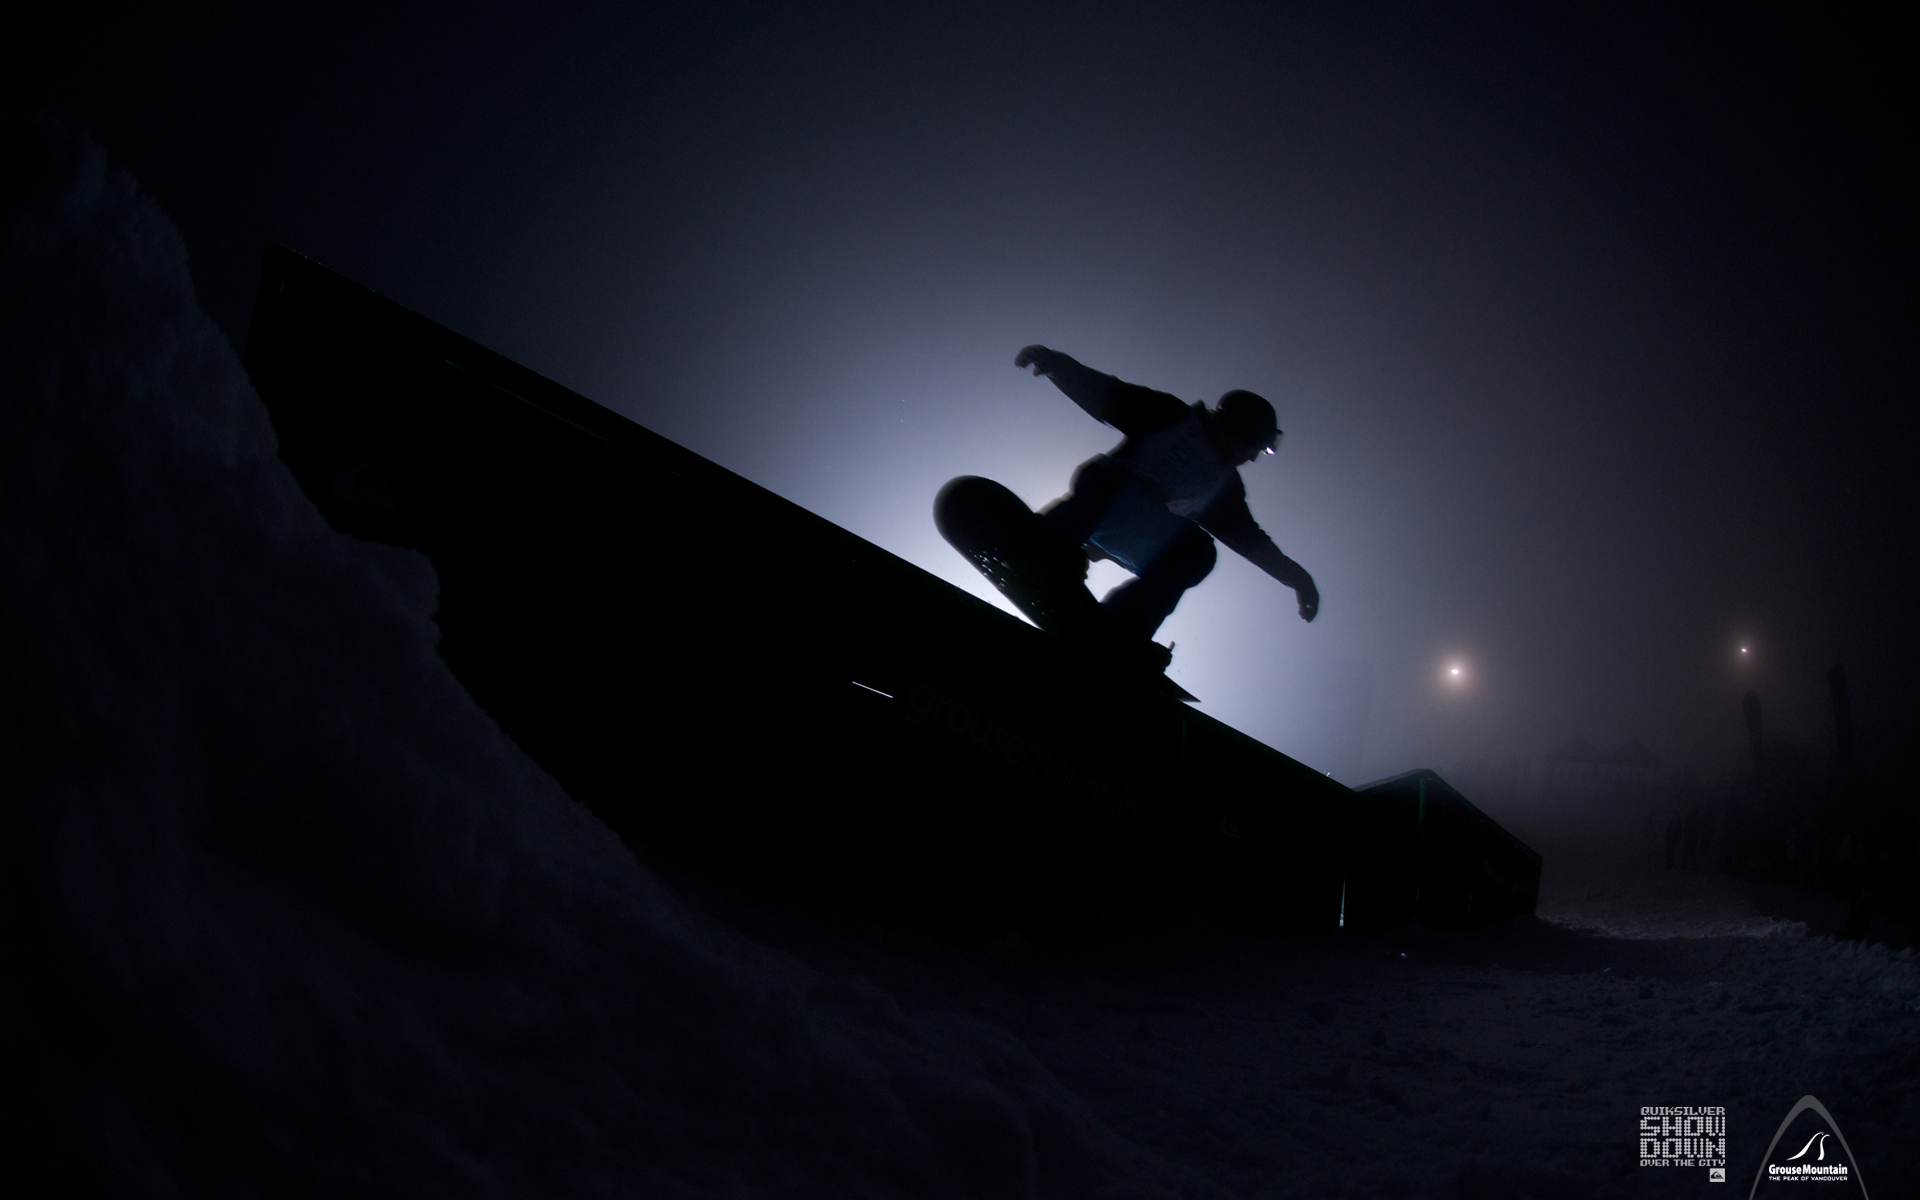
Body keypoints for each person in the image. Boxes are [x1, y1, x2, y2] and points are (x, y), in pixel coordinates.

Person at [1012, 344, 1319, 641]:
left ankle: (1124, 629)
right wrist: (1055, 364)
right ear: (1239, 430)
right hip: (1102, 501)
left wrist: (1297, 578)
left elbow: (1249, 540)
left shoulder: (1225, 488)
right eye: (1253, 448)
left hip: (1140, 535)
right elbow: (1109, 395)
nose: (1251, 459)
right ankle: (1048, 549)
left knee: (1200, 552)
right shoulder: (1172, 417)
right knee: (1112, 477)